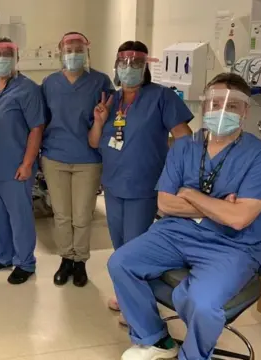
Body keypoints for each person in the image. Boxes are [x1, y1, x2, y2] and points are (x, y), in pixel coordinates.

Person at [107, 72, 261, 360]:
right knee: (121, 262)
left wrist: (190, 193)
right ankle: (155, 340)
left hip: (233, 245)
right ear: (204, 106)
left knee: (201, 301)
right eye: (214, 103)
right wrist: (219, 206)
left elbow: (239, 220)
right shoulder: (185, 147)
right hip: (176, 232)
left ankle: (194, 355)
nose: (221, 111)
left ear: (246, 111)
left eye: (232, 106)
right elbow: (165, 203)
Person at [90, 41, 193, 320]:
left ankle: (140, 309)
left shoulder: (162, 97)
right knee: (120, 245)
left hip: (144, 184)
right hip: (113, 184)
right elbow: (95, 142)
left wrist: (177, 174)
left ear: (145, 67)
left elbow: (185, 139)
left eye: (135, 64)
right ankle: (127, 296)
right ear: (116, 66)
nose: (128, 69)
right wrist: (99, 121)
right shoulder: (110, 100)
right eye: (123, 63)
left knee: (136, 247)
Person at [41, 32, 113, 287]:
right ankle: (66, 259)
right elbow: (41, 122)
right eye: (69, 49)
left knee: (82, 215)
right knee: (62, 215)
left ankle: (80, 260)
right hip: (54, 157)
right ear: (60, 51)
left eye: (78, 49)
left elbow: (111, 121)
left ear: (86, 51)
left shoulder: (100, 81)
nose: (73, 53)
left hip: (88, 159)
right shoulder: (49, 84)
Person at [0, 37, 46, 285]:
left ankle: (25, 261)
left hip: (16, 164)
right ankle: (1, 254)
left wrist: (27, 164)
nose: (2, 58)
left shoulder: (28, 89)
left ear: (16, 57)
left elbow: (37, 128)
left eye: (7, 53)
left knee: (19, 215)